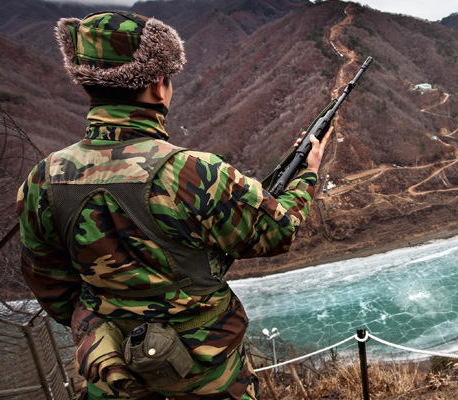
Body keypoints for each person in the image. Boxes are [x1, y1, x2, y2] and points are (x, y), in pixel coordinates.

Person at [16, 11, 328, 400]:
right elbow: (277, 233)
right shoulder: (191, 172)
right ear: (159, 85)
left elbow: (47, 282)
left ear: (89, 87)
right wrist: (307, 175)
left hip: (112, 378)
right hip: (207, 379)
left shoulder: (43, 179)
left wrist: (107, 326)